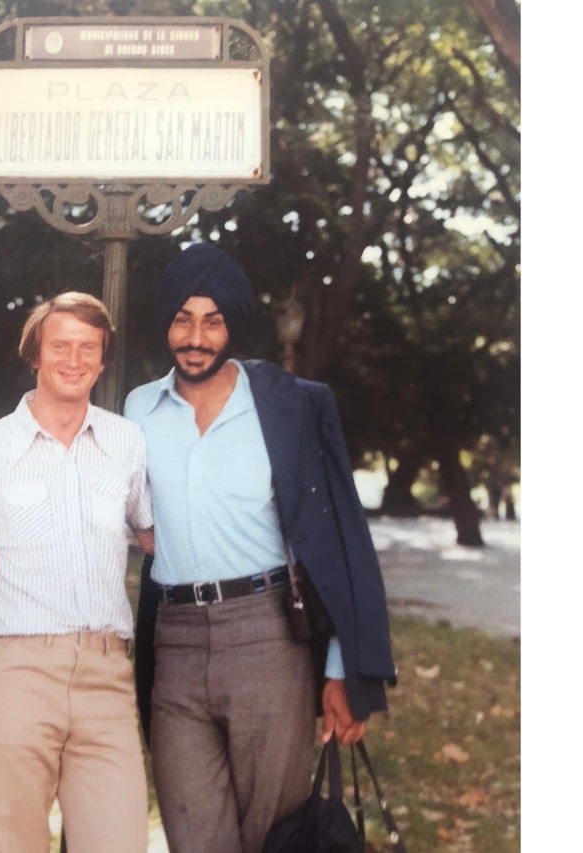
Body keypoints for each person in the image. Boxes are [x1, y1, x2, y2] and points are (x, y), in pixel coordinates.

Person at [124, 242, 398, 853]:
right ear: (167, 322)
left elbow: (341, 539)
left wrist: (341, 671)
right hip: (174, 643)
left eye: (212, 320)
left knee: (274, 838)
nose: (195, 337)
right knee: (193, 837)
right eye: (182, 319)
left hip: (268, 639)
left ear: (234, 326)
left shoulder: (290, 406)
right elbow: (108, 507)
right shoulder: (137, 410)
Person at [0, 292, 154, 853]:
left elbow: (153, 538)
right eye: (60, 346)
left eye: (88, 348)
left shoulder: (126, 443)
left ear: (102, 359)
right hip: (21, 672)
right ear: (35, 354)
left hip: (106, 677)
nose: (73, 359)